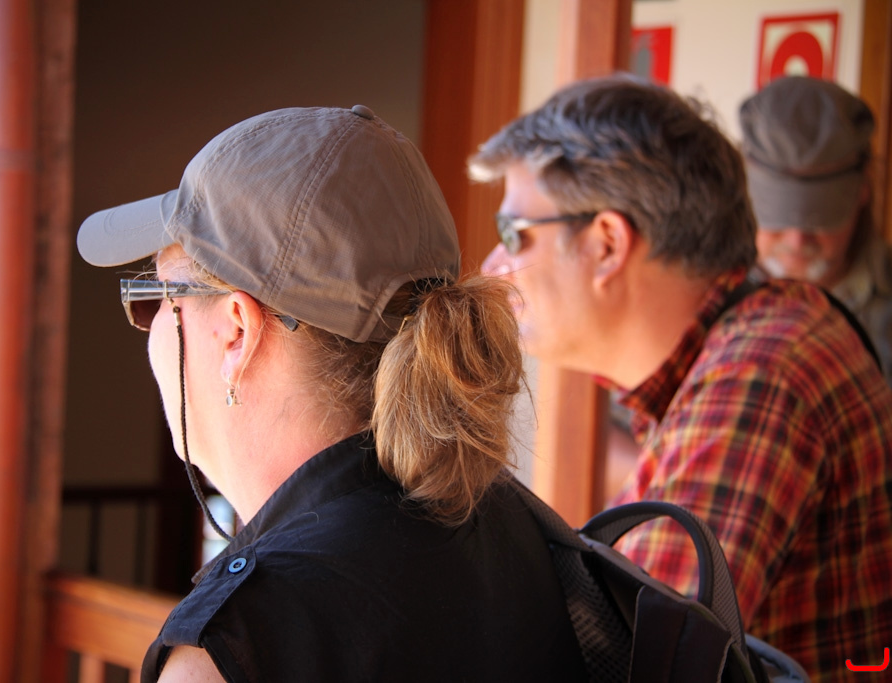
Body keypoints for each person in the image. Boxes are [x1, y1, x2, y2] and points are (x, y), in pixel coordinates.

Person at [77, 105, 586, 682]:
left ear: (237, 332)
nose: (150, 332)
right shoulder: (513, 525)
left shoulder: (236, 650)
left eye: (159, 299)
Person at [471, 75, 892, 682]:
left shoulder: (758, 375)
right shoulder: (744, 347)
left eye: (514, 232)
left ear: (608, 244)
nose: (494, 264)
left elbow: (633, 666)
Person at [740, 75, 892, 385]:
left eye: (821, 218)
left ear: (863, 190)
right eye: (778, 217)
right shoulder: (699, 294)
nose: (797, 239)